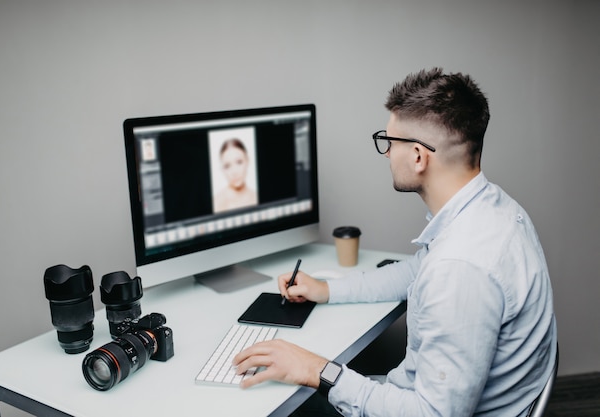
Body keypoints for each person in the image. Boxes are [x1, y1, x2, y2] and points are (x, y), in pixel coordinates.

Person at [233, 68, 557, 417]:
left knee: (280, 406)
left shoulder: (460, 268)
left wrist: (317, 370)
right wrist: (326, 290)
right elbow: (416, 271)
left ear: (418, 156)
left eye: (389, 142)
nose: (387, 154)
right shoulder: (494, 210)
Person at [213, 138, 258, 212]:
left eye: (239, 162)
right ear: (222, 170)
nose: (234, 172)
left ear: (248, 161)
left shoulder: (257, 197)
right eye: (227, 166)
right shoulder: (216, 203)